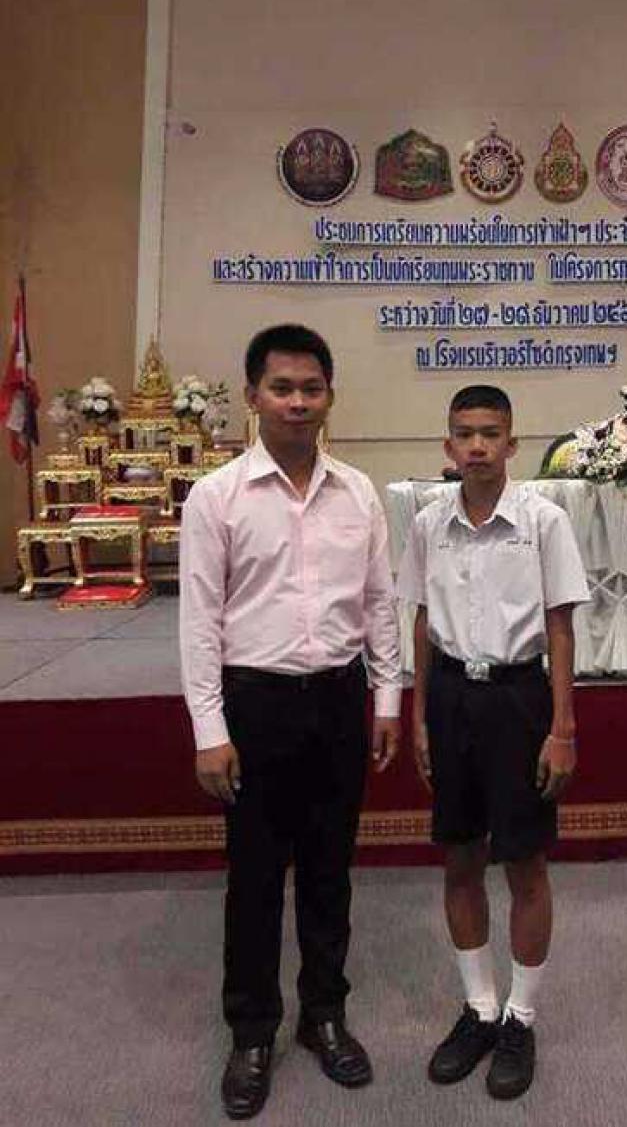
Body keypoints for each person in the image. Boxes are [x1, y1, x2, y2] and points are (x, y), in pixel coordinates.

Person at [179, 324, 402, 1120]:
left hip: (339, 701)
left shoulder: (359, 493)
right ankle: (251, 1031)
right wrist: (210, 728)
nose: (297, 402)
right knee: (254, 880)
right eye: (282, 388)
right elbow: (199, 621)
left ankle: (324, 1014)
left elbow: (379, 603)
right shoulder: (217, 497)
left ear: (329, 395)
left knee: (330, 871)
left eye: (311, 388)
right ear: (253, 396)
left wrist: (386, 699)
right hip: (256, 706)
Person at [397, 384, 590, 1100]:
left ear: (512, 443)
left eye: (490, 433)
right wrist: (419, 715)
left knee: (525, 863)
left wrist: (562, 728)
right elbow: (422, 621)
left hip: (519, 700)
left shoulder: (543, 522)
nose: (476, 446)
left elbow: (561, 627)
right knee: (460, 857)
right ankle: (479, 1007)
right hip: (451, 697)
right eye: (464, 433)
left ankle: (520, 1017)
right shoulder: (428, 524)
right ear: (447, 444)